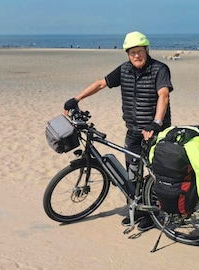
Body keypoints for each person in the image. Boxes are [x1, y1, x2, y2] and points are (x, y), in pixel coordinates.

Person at [63, 31, 173, 231]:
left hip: (155, 132)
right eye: (132, 52)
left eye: (139, 51)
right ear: (128, 54)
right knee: (132, 172)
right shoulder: (124, 70)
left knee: (152, 172)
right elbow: (100, 83)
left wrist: (156, 123)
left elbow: (163, 95)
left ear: (146, 50)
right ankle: (139, 210)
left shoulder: (159, 69)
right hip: (132, 131)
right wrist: (76, 99)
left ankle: (154, 212)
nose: (136, 56)